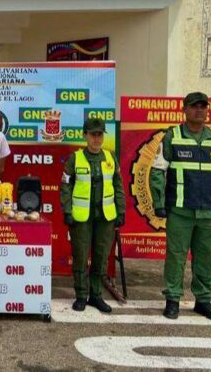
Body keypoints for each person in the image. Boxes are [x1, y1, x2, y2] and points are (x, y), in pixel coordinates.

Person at [149, 92, 211, 321]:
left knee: (206, 256)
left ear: (208, 110)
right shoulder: (172, 137)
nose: (200, 110)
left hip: (210, 212)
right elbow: (157, 171)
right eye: (194, 106)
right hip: (180, 211)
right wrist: (158, 203)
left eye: (203, 106)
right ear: (185, 110)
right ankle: (173, 300)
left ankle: (203, 300)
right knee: (176, 256)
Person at [60, 118, 126, 313]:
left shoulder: (110, 158)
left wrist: (120, 211)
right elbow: (65, 186)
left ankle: (96, 296)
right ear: (85, 136)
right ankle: (81, 295)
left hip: (105, 218)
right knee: (80, 257)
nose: (97, 139)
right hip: (82, 218)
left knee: (101, 257)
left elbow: (118, 187)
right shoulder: (75, 158)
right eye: (93, 134)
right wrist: (67, 210)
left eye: (100, 134)